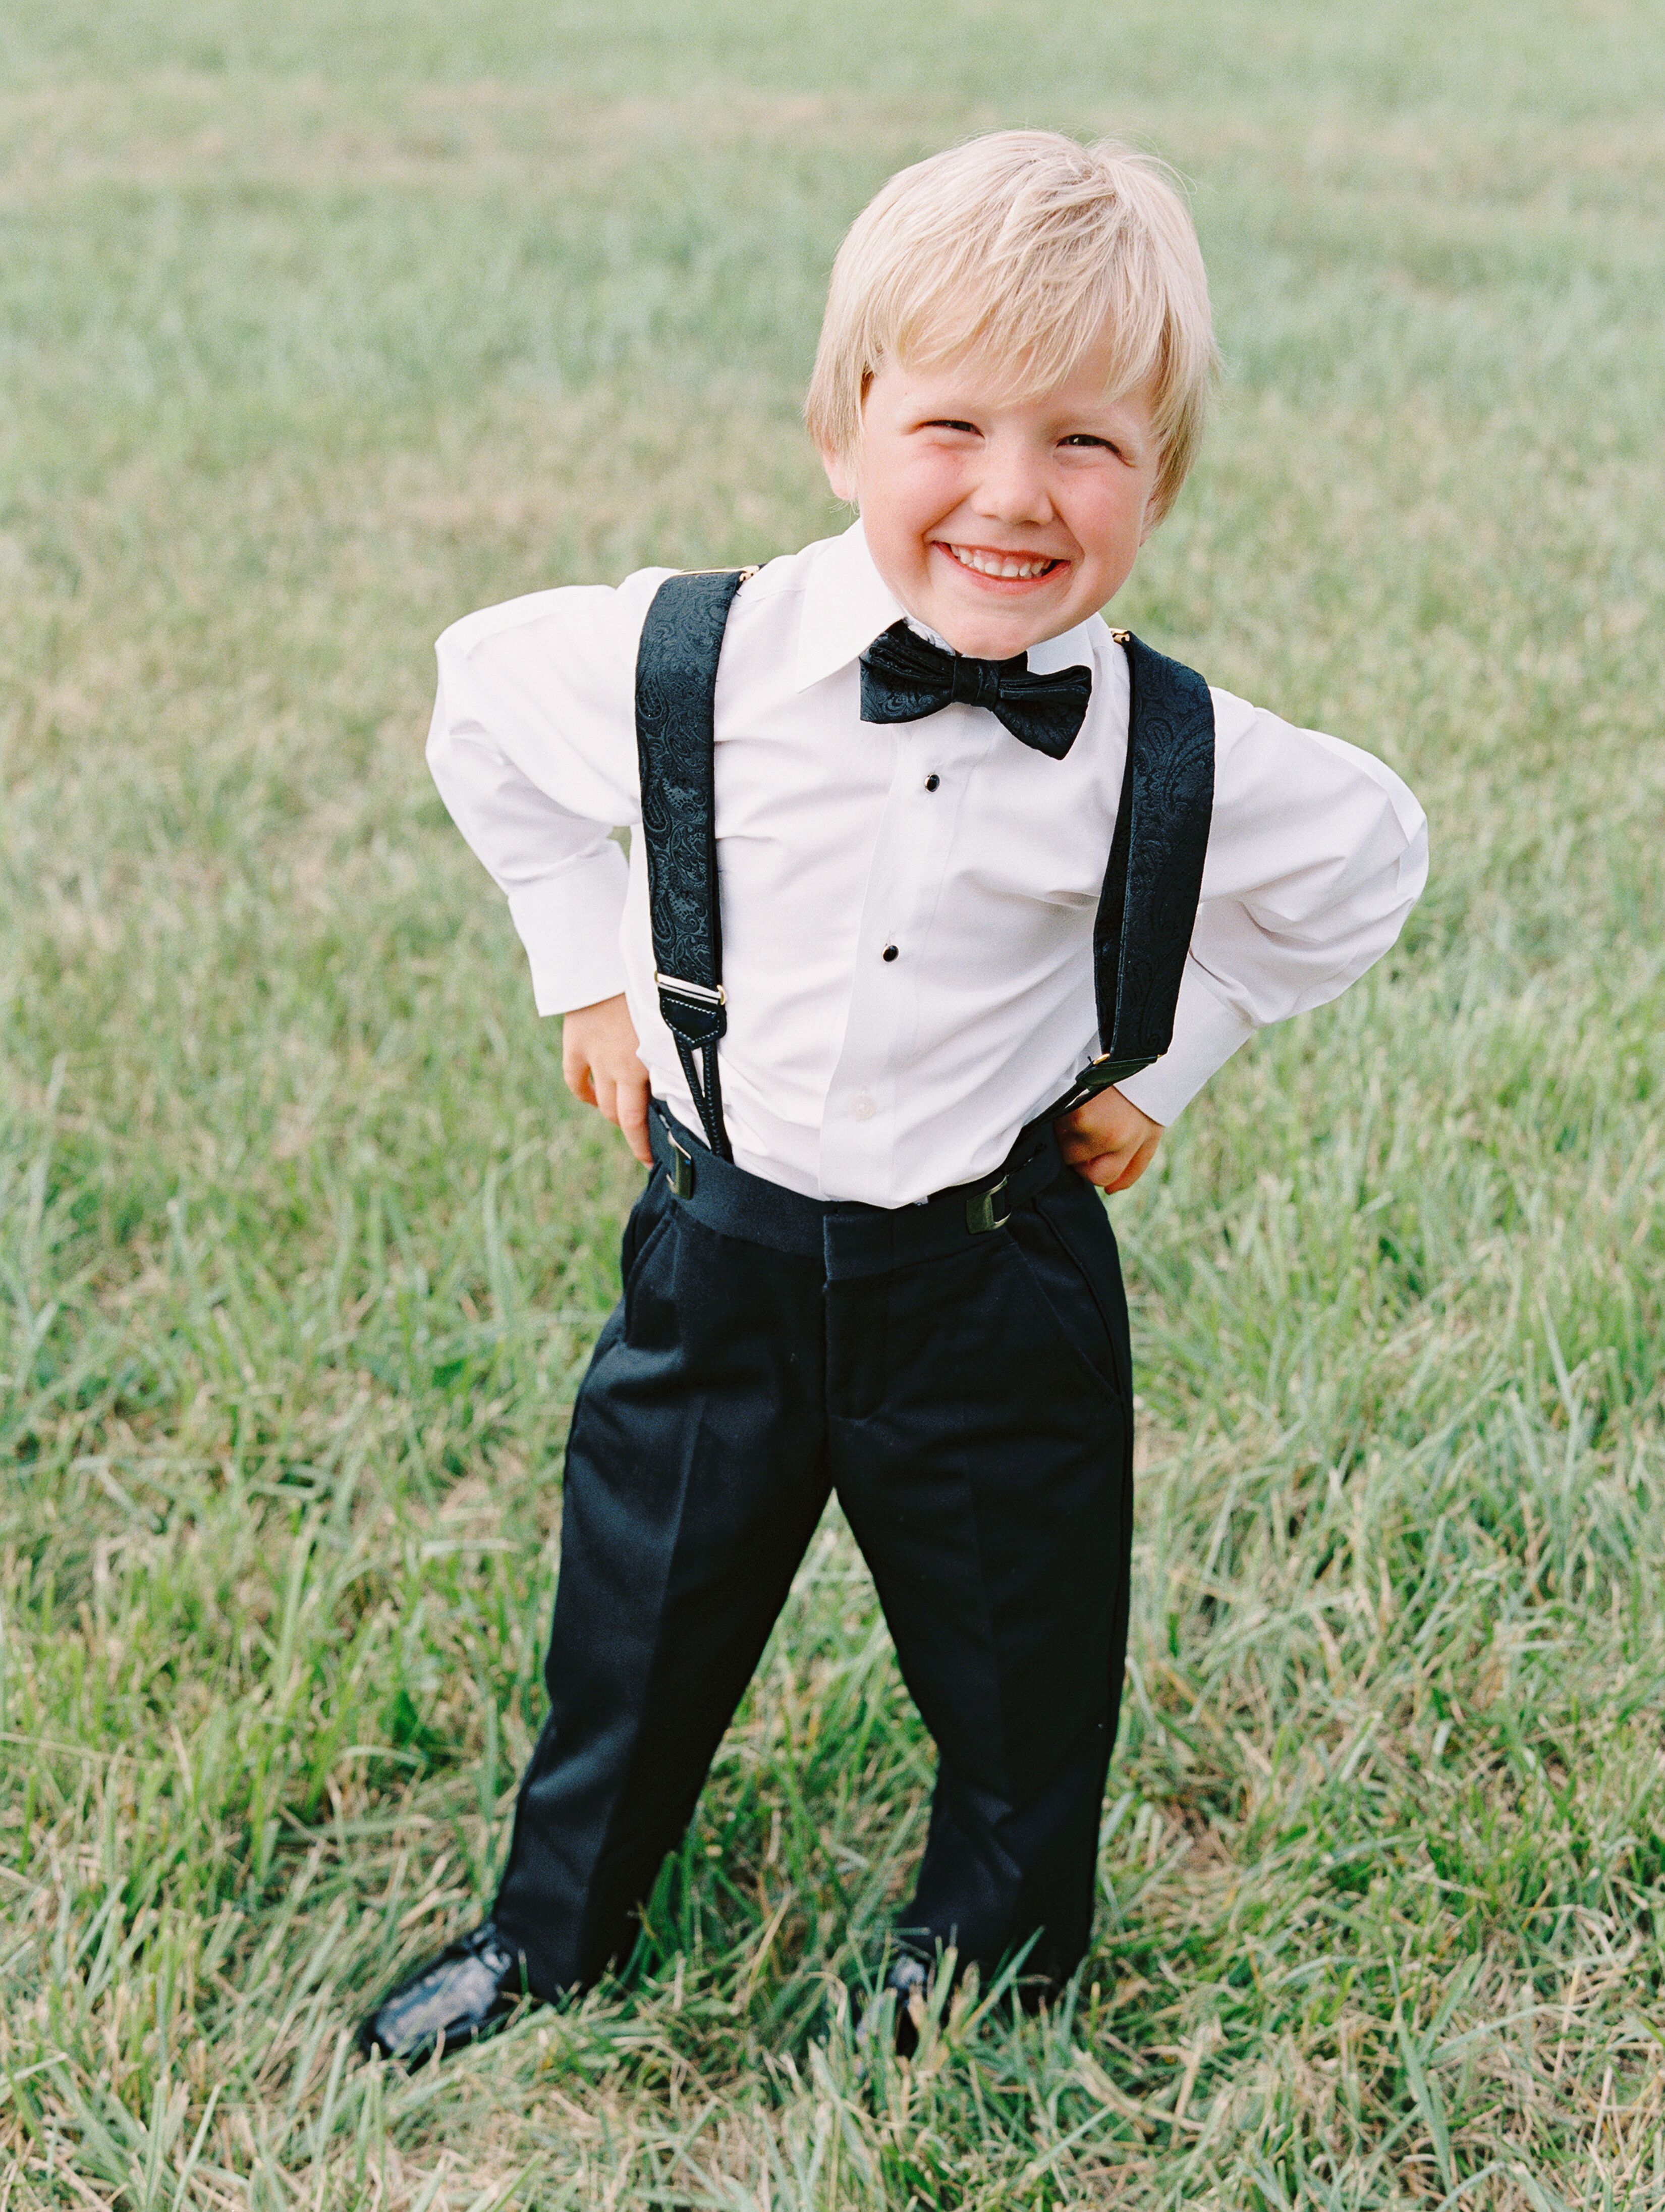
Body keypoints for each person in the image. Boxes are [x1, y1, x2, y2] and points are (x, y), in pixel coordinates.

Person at [360, 131, 1427, 2066]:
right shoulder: (685, 661)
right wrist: (586, 975)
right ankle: (552, 1931)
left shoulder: (1161, 745)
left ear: (1160, 476)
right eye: (952, 425)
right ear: (843, 426)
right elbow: (475, 710)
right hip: (722, 1257)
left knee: (1022, 1654)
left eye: (1087, 444)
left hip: (985, 1275)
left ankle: (995, 1953)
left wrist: (1174, 1051)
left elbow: (1369, 858)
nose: (1013, 498)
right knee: (637, 1614)